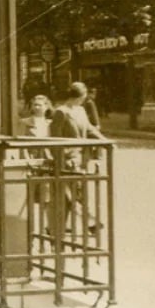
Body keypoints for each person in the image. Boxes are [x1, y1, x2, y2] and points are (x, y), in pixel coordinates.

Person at [49, 82, 106, 235]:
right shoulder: (61, 112)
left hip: (81, 159)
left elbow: (89, 128)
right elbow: (55, 139)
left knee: (71, 194)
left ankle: (55, 227)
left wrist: (104, 140)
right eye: (82, 97)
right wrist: (60, 161)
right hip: (68, 159)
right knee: (76, 192)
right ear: (76, 96)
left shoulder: (80, 110)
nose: (83, 100)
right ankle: (91, 222)